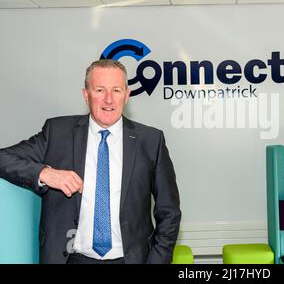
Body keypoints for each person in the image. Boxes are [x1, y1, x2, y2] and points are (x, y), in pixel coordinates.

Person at [0, 59, 181, 264]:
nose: (109, 100)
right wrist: (45, 173)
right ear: (86, 95)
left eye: (116, 90)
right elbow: (3, 158)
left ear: (127, 95)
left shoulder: (151, 141)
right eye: (100, 90)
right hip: (71, 259)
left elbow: (169, 212)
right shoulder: (57, 133)